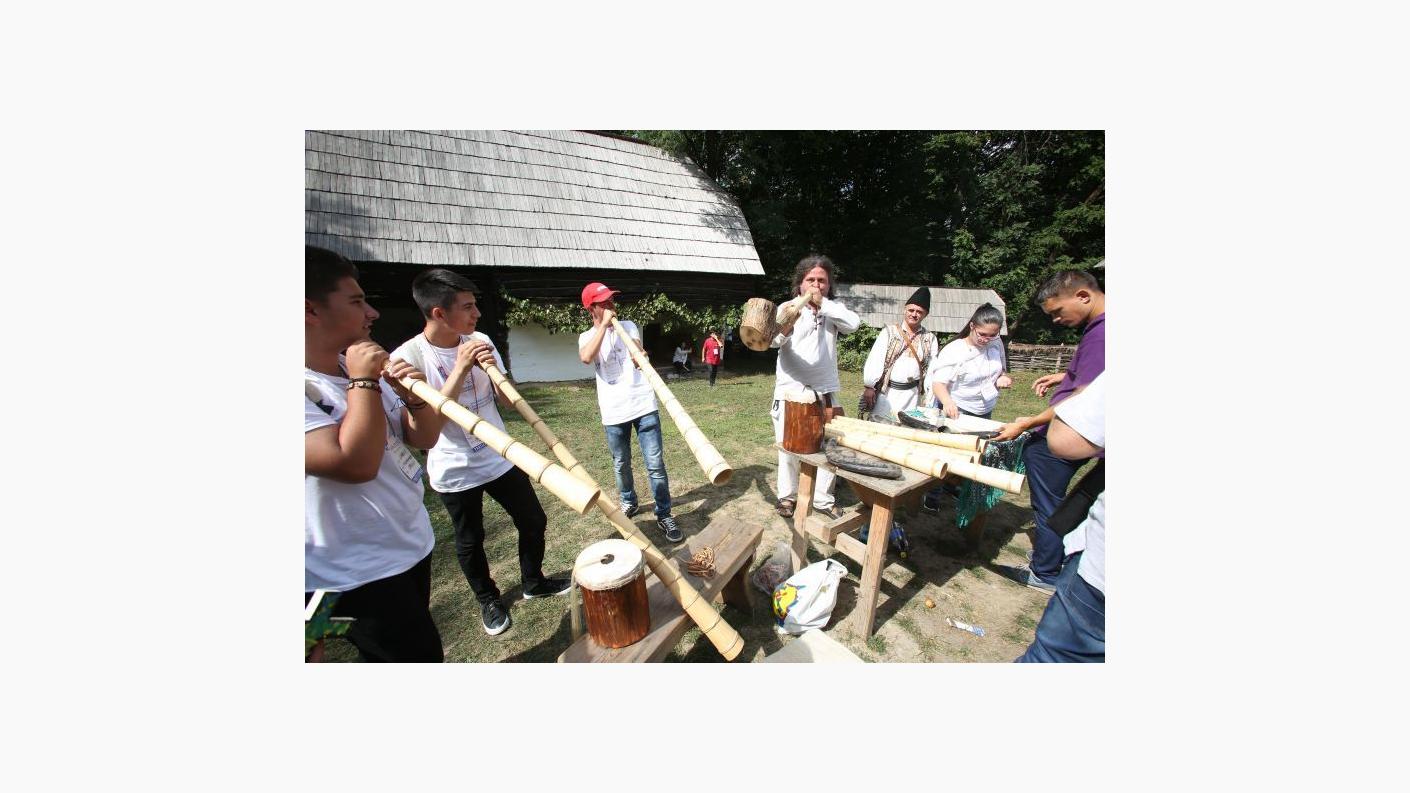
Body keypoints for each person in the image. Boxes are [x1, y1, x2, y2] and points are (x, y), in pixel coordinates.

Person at [391, 268, 570, 637]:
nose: (477, 314)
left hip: (499, 454)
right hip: (453, 466)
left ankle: (533, 581)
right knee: (470, 539)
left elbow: (506, 400)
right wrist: (460, 368)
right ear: (439, 313)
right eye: (468, 307)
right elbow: (425, 429)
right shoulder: (408, 357)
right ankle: (488, 599)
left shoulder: (480, 339)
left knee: (533, 520)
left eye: (475, 305)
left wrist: (494, 371)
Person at [304, 245, 447, 662]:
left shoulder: (355, 369)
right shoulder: (347, 377)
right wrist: (364, 382)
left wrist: (415, 398)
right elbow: (355, 463)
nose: (372, 313)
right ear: (308, 310)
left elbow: (424, 438)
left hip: (407, 544)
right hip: (348, 575)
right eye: (356, 301)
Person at [994, 270, 1105, 592]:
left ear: (1083, 295)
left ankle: (1044, 571)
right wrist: (1064, 376)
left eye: (1058, 311)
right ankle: (1053, 556)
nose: (1056, 320)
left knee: (1048, 505)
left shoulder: (1102, 333)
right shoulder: (1100, 329)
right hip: (1084, 438)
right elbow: (1094, 378)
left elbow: (1084, 398)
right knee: (1062, 502)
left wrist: (1027, 423)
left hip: (1068, 438)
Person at [578, 282, 683, 543]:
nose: (611, 305)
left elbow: (636, 346)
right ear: (591, 309)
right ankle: (629, 501)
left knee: (655, 464)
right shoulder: (586, 336)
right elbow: (586, 357)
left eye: (611, 300)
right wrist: (604, 325)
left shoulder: (628, 325)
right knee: (621, 462)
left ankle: (664, 513)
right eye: (604, 303)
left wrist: (639, 354)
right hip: (613, 411)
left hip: (643, 404)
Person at [1016, 372, 1105, 663]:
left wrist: (1078, 396)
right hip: (1098, 581)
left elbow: (1064, 439)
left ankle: (1045, 569)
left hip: (1098, 581)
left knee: (1050, 658)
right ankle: (1047, 567)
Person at [771, 254, 861, 520]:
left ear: (828, 285)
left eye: (822, 280)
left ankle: (823, 499)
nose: (816, 285)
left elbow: (854, 325)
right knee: (788, 448)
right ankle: (787, 497)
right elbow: (772, 341)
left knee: (827, 447)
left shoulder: (833, 309)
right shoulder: (787, 307)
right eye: (810, 279)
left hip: (825, 391)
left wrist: (823, 304)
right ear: (800, 283)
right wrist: (788, 325)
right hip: (790, 391)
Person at [920, 302, 1013, 511]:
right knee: (946, 453)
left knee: (972, 455)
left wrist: (1002, 378)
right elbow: (938, 383)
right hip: (958, 411)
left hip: (984, 411)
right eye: (983, 334)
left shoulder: (995, 345)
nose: (986, 339)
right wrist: (948, 402)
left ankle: (953, 486)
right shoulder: (955, 350)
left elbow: (1000, 370)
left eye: (992, 335)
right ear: (972, 326)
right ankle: (932, 494)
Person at [860, 287, 939, 422]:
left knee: (906, 428)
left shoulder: (930, 339)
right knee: (879, 427)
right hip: (886, 394)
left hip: (912, 396)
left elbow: (932, 370)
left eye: (919, 312)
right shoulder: (889, 333)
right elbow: (875, 359)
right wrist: (869, 387)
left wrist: (929, 397)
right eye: (911, 310)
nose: (914, 314)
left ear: (925, 314)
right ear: (905, 310)